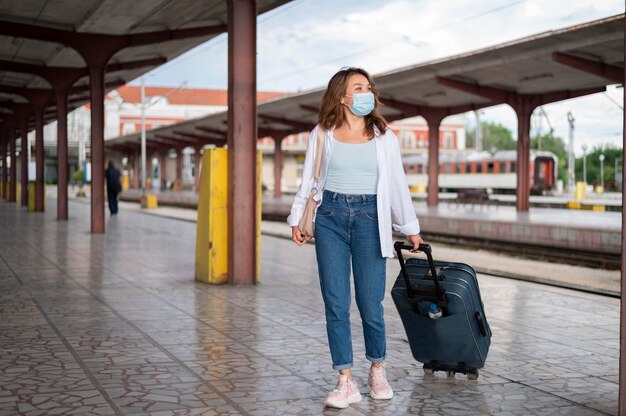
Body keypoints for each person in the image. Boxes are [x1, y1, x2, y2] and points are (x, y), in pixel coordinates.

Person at [287, 67, 423, 409]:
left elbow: (396, 185)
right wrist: (296, 219)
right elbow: (308, 179)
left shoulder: (384, 136)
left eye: (369, 87)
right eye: (358, 87)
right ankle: (345, 380)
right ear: (341, 97)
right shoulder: (323, 133)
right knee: (335, 302)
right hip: (330, 217)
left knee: (370, 303)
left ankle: (377, 368)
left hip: (369, 219)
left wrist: (410, 227)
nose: (367, 92)